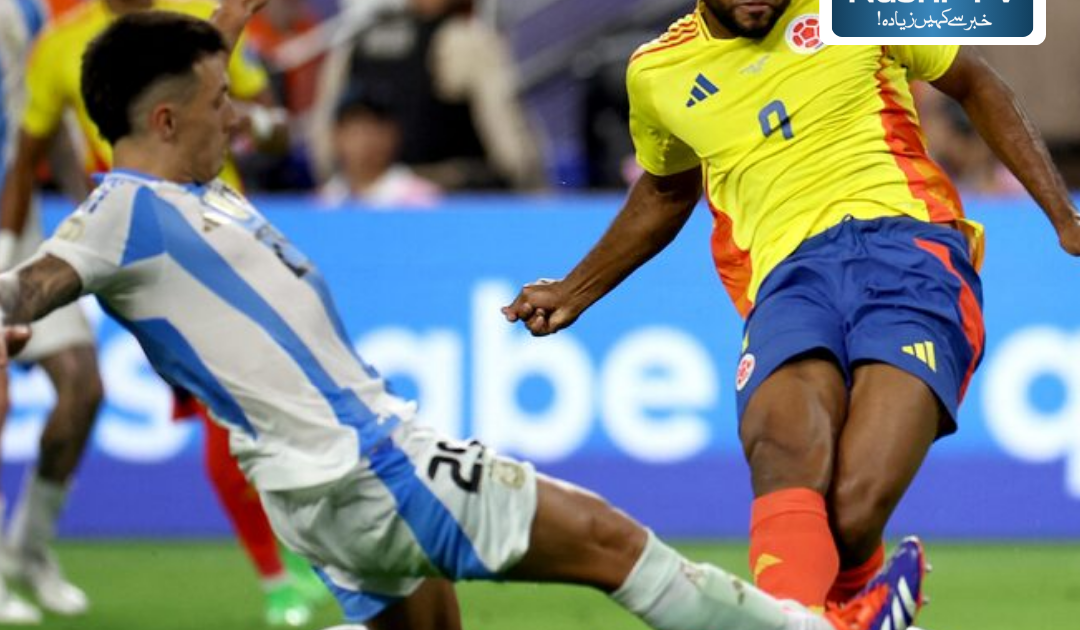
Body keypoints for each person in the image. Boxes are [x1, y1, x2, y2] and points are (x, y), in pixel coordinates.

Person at [0, 8, 926, 630]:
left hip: (313, 498)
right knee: (613, 545)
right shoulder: (121, 215)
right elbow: (29, 286)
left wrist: (229, 21)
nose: (236, 121)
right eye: (218, 106)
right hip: (369, 465)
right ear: (165, 121)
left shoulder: (185, 184)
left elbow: (196, 56)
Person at [504, 0, 1080, 614]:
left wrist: (1064, 216)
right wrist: (575, 289)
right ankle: (839, 617)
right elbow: (667, 191)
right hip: (788, 282)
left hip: (910, 256)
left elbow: (974, 80)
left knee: (852, 511)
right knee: (780, 449)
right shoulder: (658, 72)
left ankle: (840, 611)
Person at [0, 0, 320, 623]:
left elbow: (276, 127)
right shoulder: (61, 45)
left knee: (273, 408)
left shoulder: (195, 16)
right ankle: (279, 575)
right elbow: (30, 157)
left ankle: (297, 557)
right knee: (223, 412)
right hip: (150, 253)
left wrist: (252, 121)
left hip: (235, 236)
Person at [311, 0, 545, 191]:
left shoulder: (355, 42)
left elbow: (322, 145)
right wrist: (529, 192)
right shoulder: (465, 40)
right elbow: (512, 149)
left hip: (367, 201)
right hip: (449, 201)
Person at [0, 0, 54, 622]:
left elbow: (42, 122)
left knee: (82, 384)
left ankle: (28, 551)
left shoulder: (30, 15)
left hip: (20, 221)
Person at [319, 86, 441, 208]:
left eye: (375, 130)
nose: (367, 141)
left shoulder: (425, 200)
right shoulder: (322, 201)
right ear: (336, 135)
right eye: (357, 131)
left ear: (394, 135)